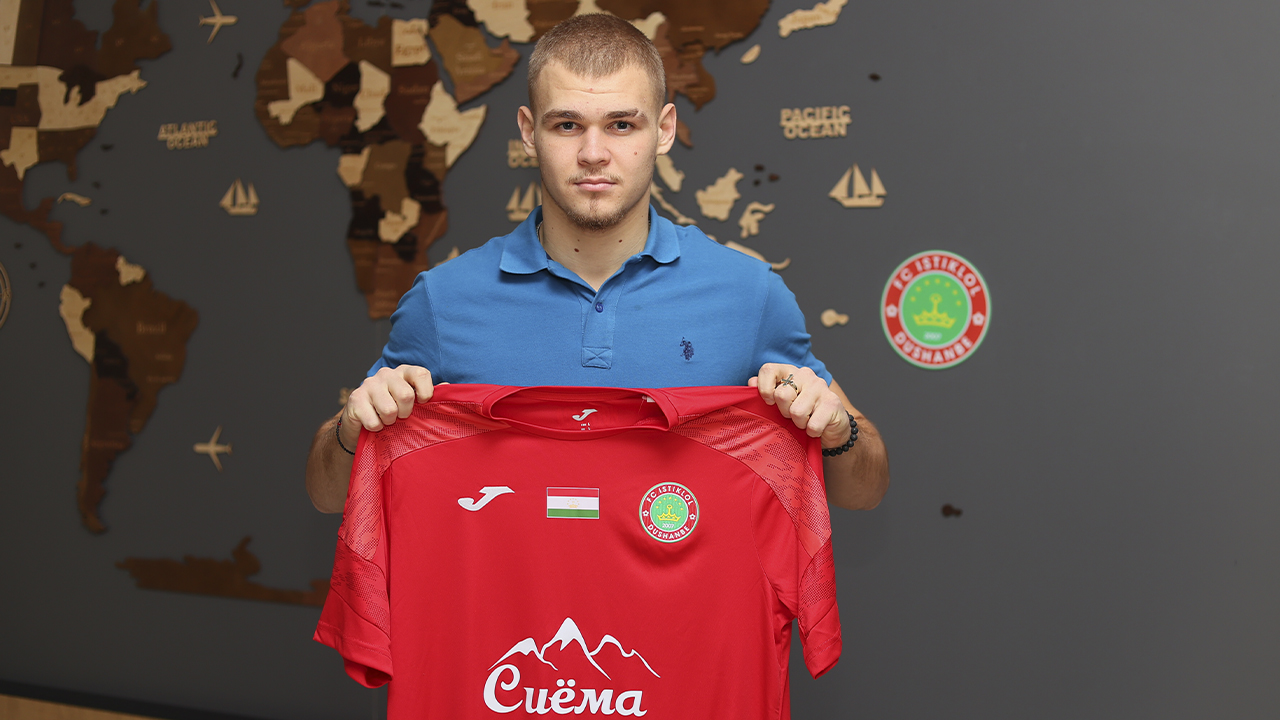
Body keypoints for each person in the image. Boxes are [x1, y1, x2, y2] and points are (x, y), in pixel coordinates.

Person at [305, 13, 888, 513]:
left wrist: (837, 430)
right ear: (529, 133)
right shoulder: (442, 300)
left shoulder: (750, 294)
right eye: (567, 125)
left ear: (664, 130)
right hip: (504, 614)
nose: (593, 153)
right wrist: (351, 429)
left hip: (684, 613)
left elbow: (865, 489)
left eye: (621, 124)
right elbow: (328, 495)